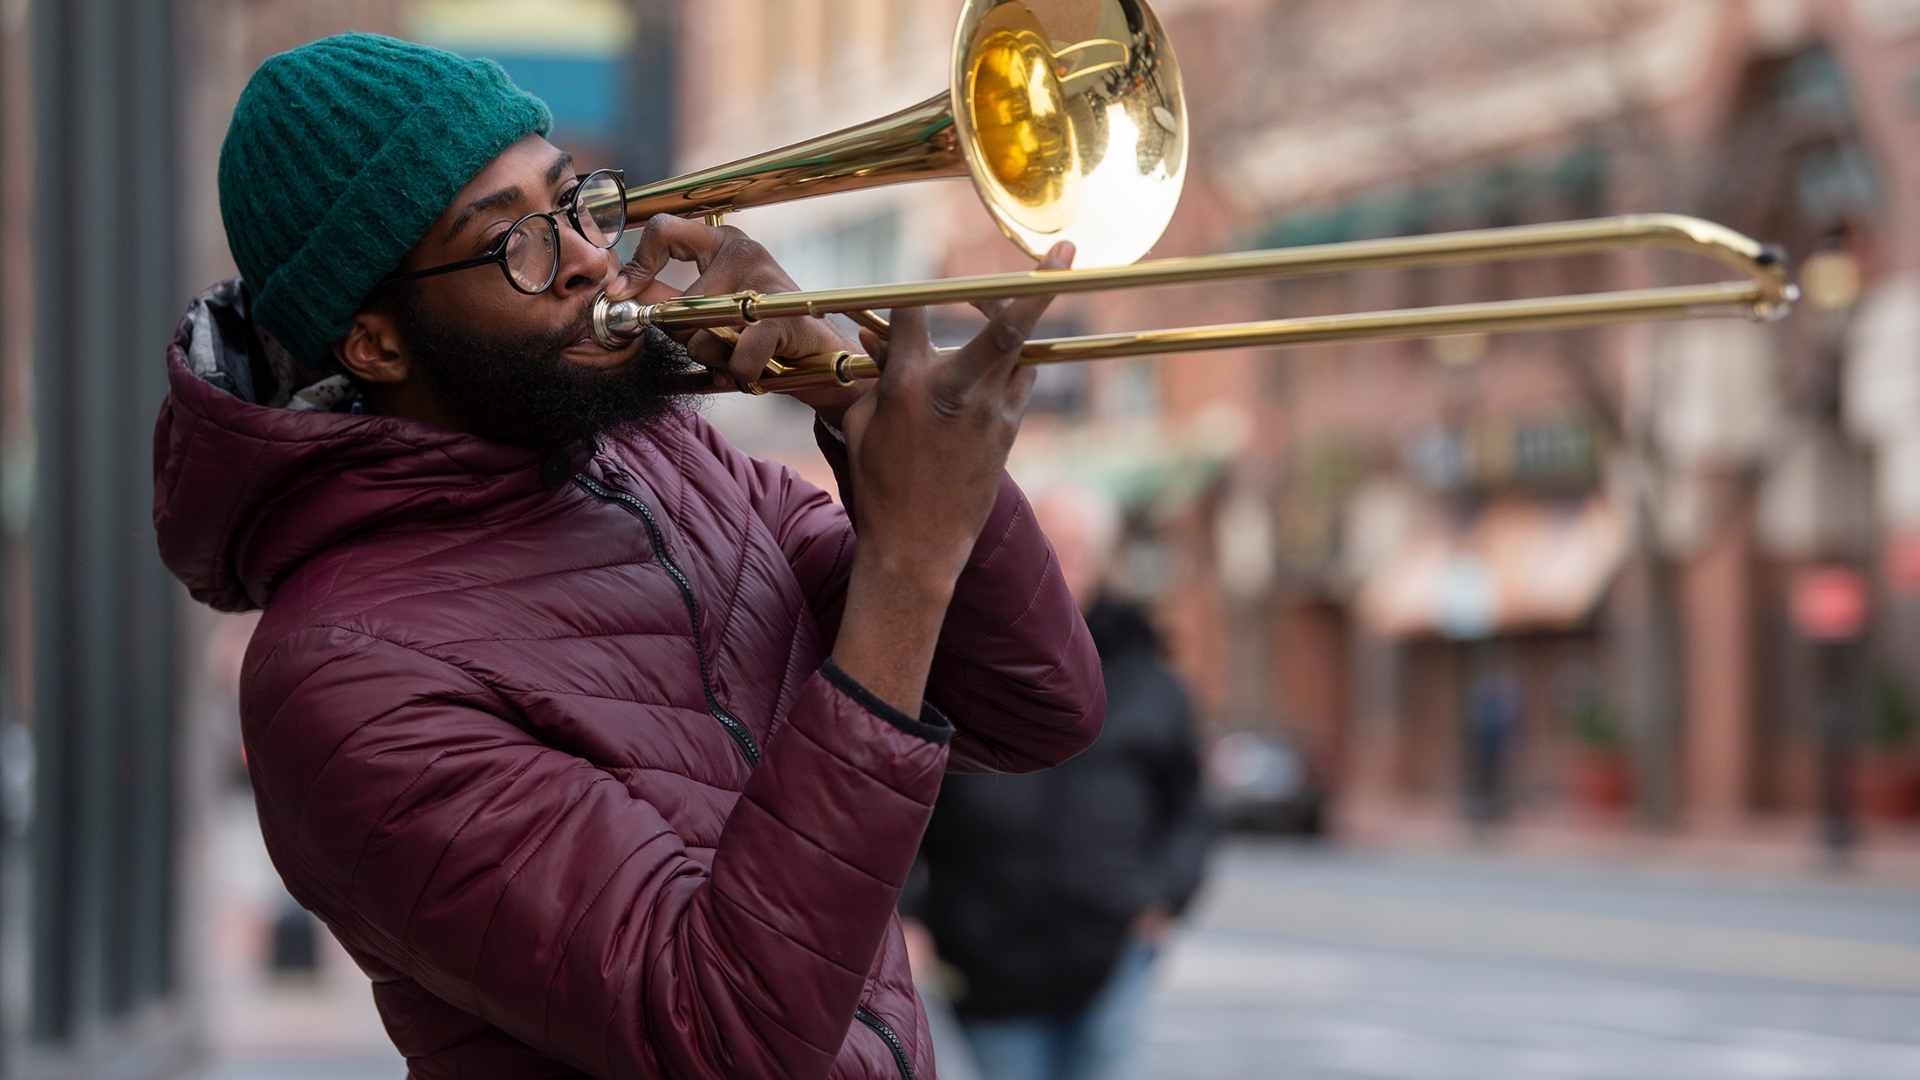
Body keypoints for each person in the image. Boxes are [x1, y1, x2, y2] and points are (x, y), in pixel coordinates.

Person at [152, 35, 1105, 1080]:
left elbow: (1034, 708)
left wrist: (848, 396)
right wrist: (910, 566)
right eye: (515, 245)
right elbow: (722, 1032)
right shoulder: (340, 679)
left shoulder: (662, 451)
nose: (591, 258)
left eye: (572, 203)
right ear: (376, 344)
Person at [911, 487, 1209, 1080]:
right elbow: (903, 792)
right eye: (1046, 550)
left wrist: (1163, 896)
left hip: (1111, 947)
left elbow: (1189, 808)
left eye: (1074, 551)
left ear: (1099, 561)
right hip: (987, 954)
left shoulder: (1149, 679)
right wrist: (908, 912)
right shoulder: (953, 661)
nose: (1061, 568)